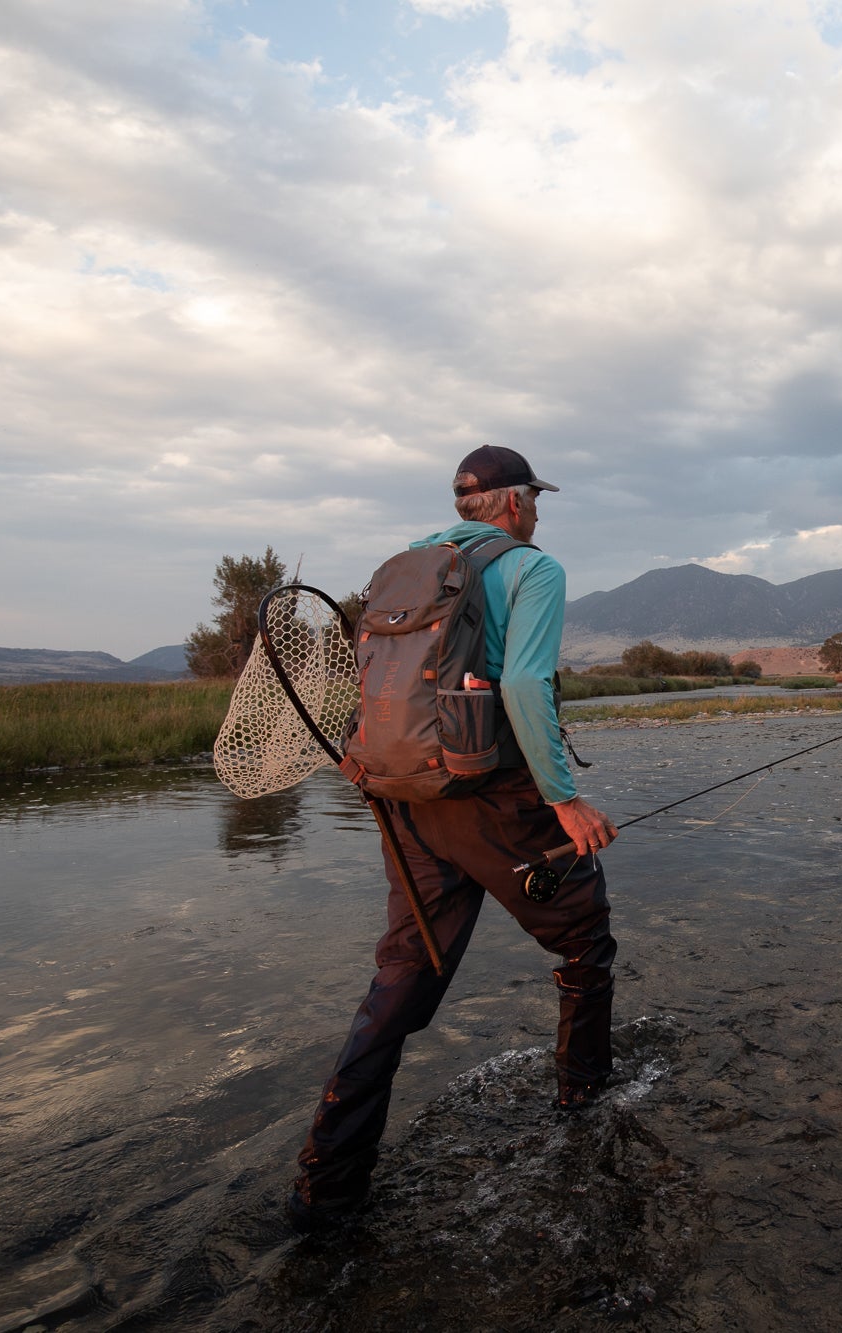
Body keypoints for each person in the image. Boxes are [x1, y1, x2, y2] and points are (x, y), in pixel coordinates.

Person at [287, 444, 621, 1233]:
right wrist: (565, 803)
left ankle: (323, 1188)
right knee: (585, 937)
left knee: (403, 978)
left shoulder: (410, 566)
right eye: (533, 498)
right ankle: (585, 1103)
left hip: (404, 800)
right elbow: (523, 685)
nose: (538, 511)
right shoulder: (534, 570)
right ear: (510, 503)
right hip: (491, 800)